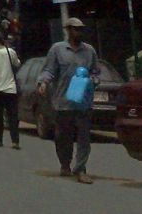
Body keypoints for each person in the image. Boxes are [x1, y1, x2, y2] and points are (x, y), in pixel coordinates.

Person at [38, 17, 100, 184]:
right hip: (63, 102)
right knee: (63, 137)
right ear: (67, 30)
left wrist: (93, 80)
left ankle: (81, 169)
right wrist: (43, 83)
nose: (78, 32)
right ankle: (65, 163)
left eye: (80, 29)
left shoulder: (89, 51)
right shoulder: (57, 49)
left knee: (84, 137)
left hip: (84, 103)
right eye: (75, 29)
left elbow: (95, 71)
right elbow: (49, 70)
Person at [0, 30, 21, 149]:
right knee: (13, 116)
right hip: (11, 88)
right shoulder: (10, 51)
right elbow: (17, 64)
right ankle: (15, 141)